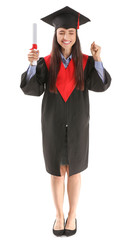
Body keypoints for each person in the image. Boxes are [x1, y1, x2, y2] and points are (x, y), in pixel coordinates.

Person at [20, 6, 111, 237]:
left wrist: (98, 58)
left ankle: (72, 216)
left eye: (71, 31)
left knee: (75, 170)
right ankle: (59, 215)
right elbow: (32, 90)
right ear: (55, 33)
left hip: (79, 124)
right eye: (62, 32)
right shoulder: (46, 62)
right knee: (57, 171)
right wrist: (31, 65)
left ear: (77, 34)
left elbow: (100, 86)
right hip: (52, 123)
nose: (67, 37)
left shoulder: (87, 62)